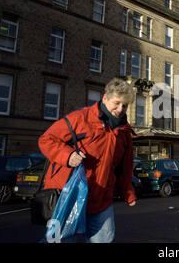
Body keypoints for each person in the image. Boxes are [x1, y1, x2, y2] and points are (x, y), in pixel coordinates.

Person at [38, 78, 137, 243]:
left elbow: (124, 168)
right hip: (67, 194)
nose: (120, 109)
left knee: (104, 240)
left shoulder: (125, 133)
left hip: (101, 198)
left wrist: (128, 193)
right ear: (105, 98)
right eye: (117, 103)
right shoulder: (80, 118)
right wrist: (67, 156)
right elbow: (46, 139)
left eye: (125, 105)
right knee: (59, 240)